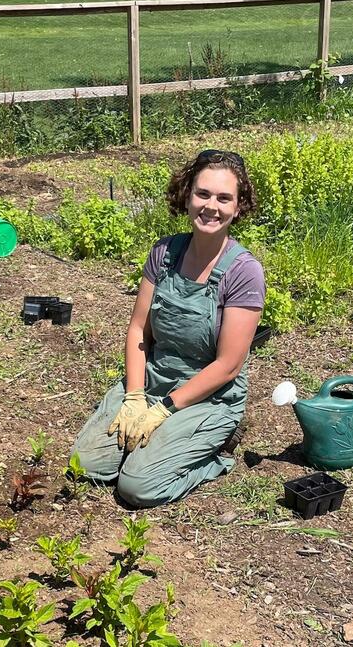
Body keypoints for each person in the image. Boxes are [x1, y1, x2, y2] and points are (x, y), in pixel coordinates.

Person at [73, 149, 265, 507]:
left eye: (224, 198)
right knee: (86, 464)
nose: (211, 206)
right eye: (203, 194)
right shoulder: (164, 253)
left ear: (238, 207)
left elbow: (229, 366)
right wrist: (133, 398)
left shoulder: (243, 272)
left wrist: (163, 411)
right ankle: (155, 441)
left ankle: (216, 454)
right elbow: (137, 332)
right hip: (153, 380)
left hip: (207, 397)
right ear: (187, 195)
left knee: (137, 488)